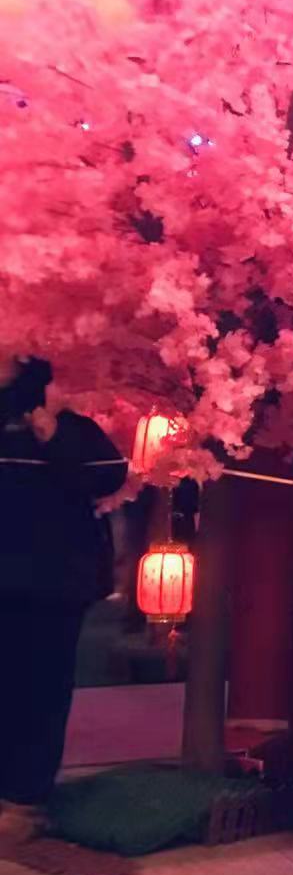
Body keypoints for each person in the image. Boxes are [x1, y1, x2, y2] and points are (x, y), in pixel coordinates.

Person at [0, 357, 127, 844]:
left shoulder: (65, 422)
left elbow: (108, 475)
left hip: (51, 584)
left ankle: (24, 801)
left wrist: (51, 433)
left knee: (41, 692)